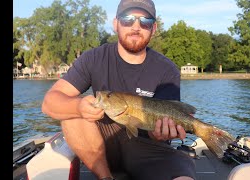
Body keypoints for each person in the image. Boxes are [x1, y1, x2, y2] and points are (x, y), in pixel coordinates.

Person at [41, 0, 196, 179]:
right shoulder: (93, 58)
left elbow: (165, 124)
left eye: (145, 21)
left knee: (183, 177)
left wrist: (160, 133)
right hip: (102, 146)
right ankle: (105, 177)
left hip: (147, 147)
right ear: (116, 24)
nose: (136, 27)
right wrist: (78, 107)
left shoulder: (167, 69)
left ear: (153, 28)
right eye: (127, 19)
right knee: (71, 115)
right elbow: (49, 103)